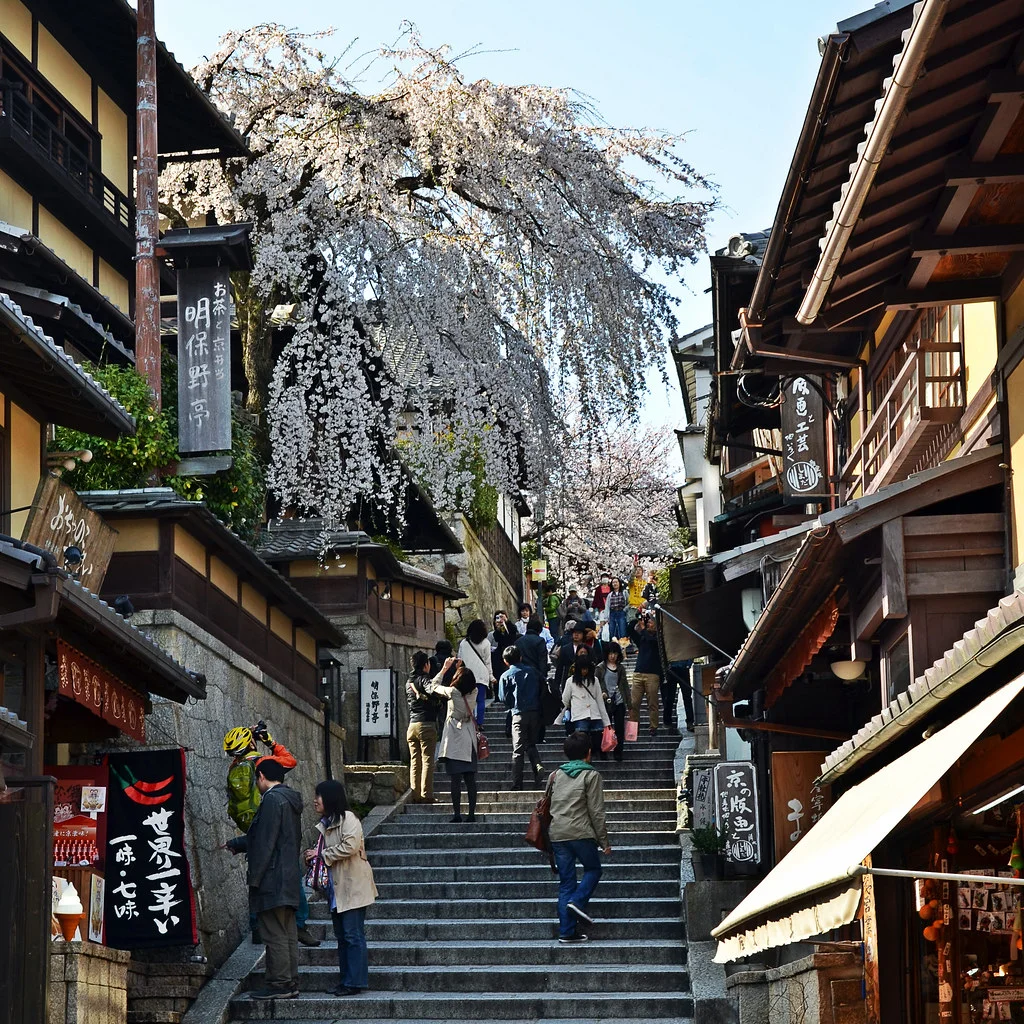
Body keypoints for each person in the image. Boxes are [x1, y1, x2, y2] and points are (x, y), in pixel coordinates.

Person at [222, 724, 319, 948]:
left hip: (252, 827)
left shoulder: (235, 767)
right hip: (274, 821)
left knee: (258, 872)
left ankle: (257, 927)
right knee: (290, 872)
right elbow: (289, 761)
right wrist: (269, 740)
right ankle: (299, 925)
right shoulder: (262, 764)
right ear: (251, 743)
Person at [226, 759, 304, 999]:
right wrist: (237, 844)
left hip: (273, 879)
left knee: (274, 934)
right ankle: (289, 981)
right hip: (289, 877)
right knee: (287, 932)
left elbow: (264, 842)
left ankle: (279, 983)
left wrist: (255, 879)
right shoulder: (290, 800)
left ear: (260, 776)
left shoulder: (272, 800)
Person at [306, 780, 377, 996]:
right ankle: (346, 980)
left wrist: (321, 855)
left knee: (352, 935)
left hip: (353, 886)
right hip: (337, 890)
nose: (315, 800)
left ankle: (355, 981)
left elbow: (351, 846)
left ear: (330, 798)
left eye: (318, 796)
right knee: (342, 936)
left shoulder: (348, 819)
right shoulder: (326, 824)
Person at [548, 731, 611, 944]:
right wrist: (604, 842)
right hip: (580, 832)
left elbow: (547, 803)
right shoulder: (591, 775)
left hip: (557, 834)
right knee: (593, 869)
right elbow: (596, 811)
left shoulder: (556, 774)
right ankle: (577, 901)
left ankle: (566, 932)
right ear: (589, 753)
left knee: (566, 883)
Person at [426, 659, 480, 822]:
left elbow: (432, 686)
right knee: (470, 780)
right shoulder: (475, 691)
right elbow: (466, 680)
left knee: (455, 780)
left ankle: (457, 814)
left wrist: (444, 669)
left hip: (454, 739)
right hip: (469, 737)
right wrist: (461, 670)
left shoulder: (452, 692)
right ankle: (471, 814)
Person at [499, 646, 544, 788]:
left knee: (518, 749)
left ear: (505, 661)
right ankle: (538, 767)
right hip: (535, 713)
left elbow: (502, 697)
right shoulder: (532, 672)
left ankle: (517, 783)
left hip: (518, 713)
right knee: (531, 744)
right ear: (520, 657)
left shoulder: (506, 676)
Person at [561, 649, 610, 759]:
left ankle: (595, 756)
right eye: (582, 669)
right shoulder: (570, 681)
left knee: (597, 740)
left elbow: (599, 701)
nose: (584, 671)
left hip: (594, 714)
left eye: (586, 668)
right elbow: (564, 700)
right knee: (581, 742)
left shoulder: (595, 680)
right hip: (579, 715)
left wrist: (606, 722)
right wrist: (560, 717)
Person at [406, 652, 441, 803]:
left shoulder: (409, 682)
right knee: (427, 760)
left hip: (412, 725)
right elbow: (432, 690)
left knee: (415, 761)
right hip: (426, 724)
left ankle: (415, 794)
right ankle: (427, 795)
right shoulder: (424, 679)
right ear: (426, 664)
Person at [629, 611, 664, 735]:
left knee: (652, 702)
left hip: (653, 674)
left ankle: (653, 727)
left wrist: (643, 629)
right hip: (638, 673)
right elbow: (630, 631)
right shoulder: (643, 637)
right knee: (633, 703)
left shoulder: (659, 638)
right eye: (648, 622)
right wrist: (637, 618)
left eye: (650, 622)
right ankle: (633, 728)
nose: (648, 624)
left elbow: (651, 641)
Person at [596, 642, 630, 761]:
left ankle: (618, 751)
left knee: (620, 728)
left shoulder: (620, 668)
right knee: (605, 727)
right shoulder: (600, 667)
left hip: (619, 701)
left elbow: (625, 685)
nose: (612, 656)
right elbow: (597, 683)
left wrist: (629, 703)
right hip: (606, 701)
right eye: (610, 653)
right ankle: (603, 750)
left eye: (615, 653)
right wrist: (602, 693)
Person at [458, 619, 495, 728]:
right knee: (480, 700)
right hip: (481, 675)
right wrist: (491, 676)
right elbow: (488, 662)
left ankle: (470, 721)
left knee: (469, 700)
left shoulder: (464, 643)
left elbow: (459, 660)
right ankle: (479, 723)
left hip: (467, 675)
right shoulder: (486, 643)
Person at [515, 616, 549, 683]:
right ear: (539, 631)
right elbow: (542, 660)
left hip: (521, 675)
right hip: (536, 675)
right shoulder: (540, 641)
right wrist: (543, 676)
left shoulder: (518, 641)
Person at [665, 659, 696, 733]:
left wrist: (688, 664)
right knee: (670, 697)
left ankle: (690, 722)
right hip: (671, 668)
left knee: (687, 697)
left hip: (683, 668)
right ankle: (667, 721)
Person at [489, 611, 518, 685]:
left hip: (511, 657)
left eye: (502, 617)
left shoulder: (511, 629)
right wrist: (498, 628)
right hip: (498, 660)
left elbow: (512, 634)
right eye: (497, 618)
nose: (500, 620)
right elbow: (497, 638)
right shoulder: (494, 633)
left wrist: (507, 622)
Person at [606, 577, 628, 643]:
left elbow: (629, 603)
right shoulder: (610, 595)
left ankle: (623, 648)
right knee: (612, 632)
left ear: (619, 583)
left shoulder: (624, 592)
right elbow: (607, 606)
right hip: (612, 613)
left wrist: (625, 610)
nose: (615, 584)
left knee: (622, 631)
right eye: (613, 582)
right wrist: (606, 617)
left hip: (621, 613)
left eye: (616, 582)